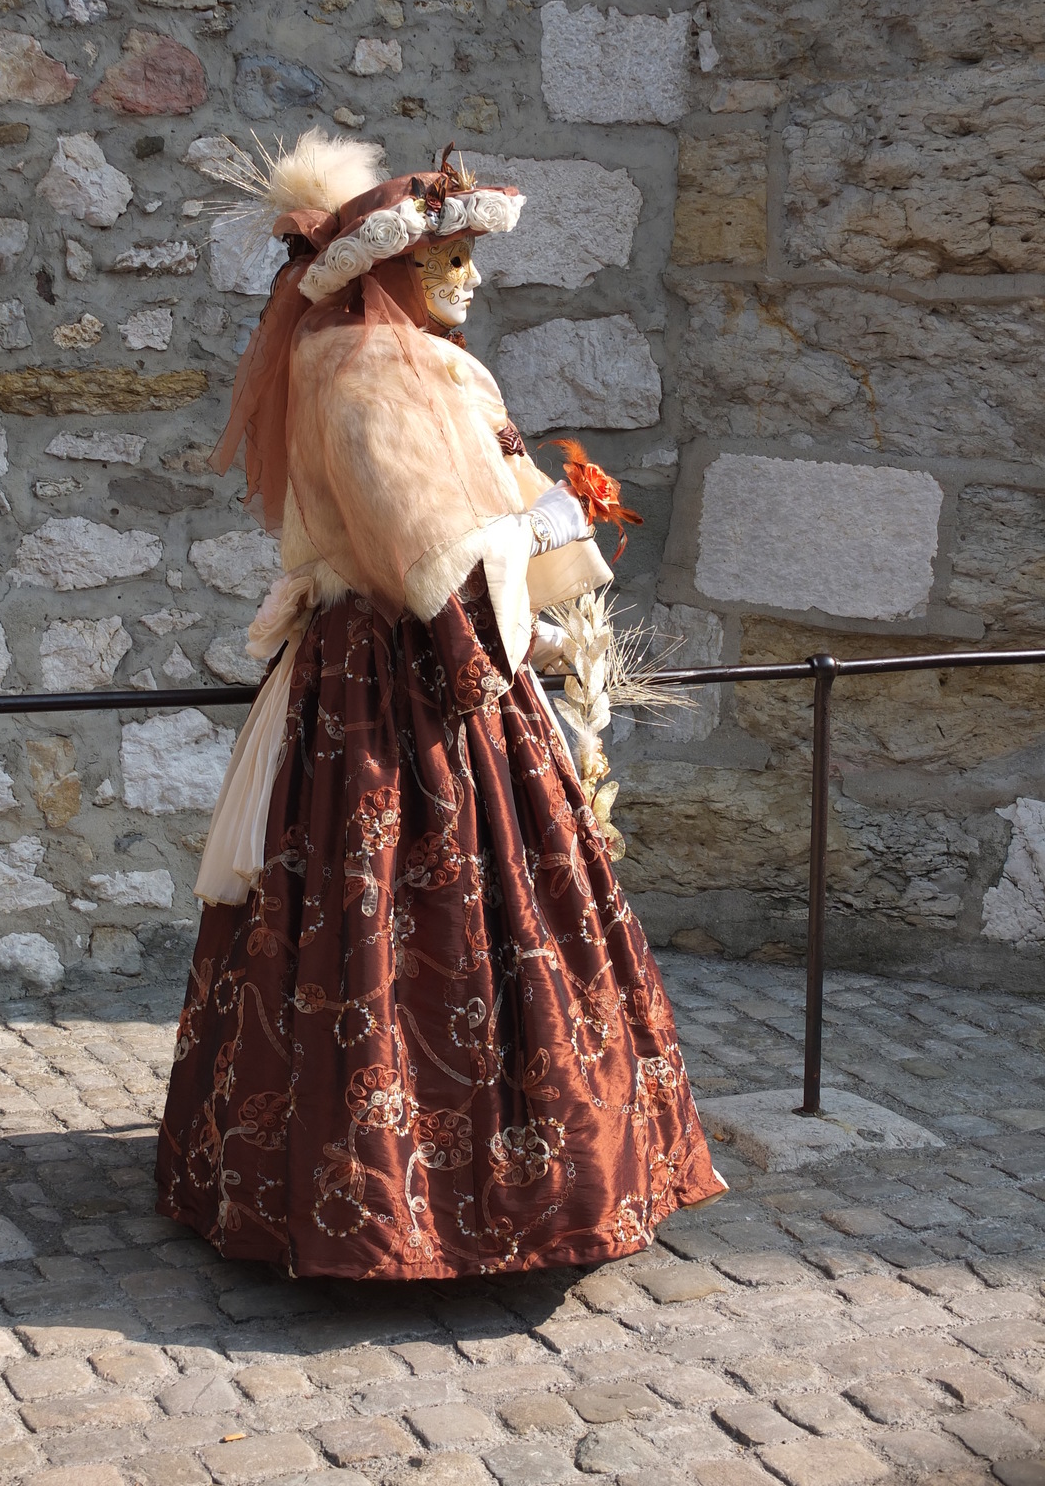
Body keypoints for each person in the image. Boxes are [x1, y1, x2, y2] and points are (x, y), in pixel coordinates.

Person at [156, 132, 726, 1278]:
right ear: (384, 269)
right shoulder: (363, 367)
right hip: (403, 683)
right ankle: (431, 1199)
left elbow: (483, 518)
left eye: (468, 255)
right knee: (426, 917)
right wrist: (522, 640)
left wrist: (553, 586)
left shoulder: (398, 357)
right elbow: (425, 556)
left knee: (406, 923)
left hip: (409, 665)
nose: (466, 277)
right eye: (447, 257)